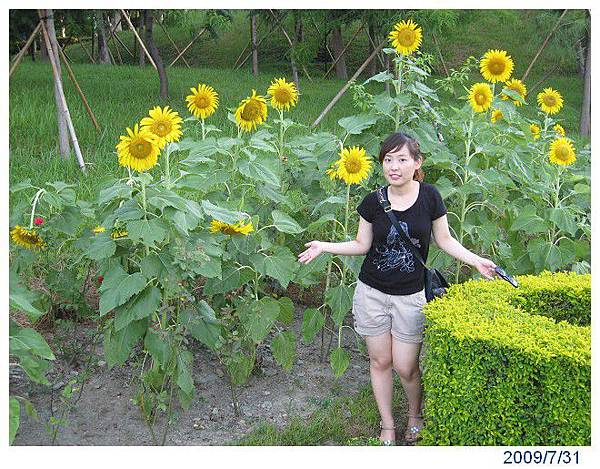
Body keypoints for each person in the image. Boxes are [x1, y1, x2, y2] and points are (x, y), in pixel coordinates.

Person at [297, 132, 498, 445]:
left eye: (402, 159)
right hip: (372, 293)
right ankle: (388, 425)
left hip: (410, 297)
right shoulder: (373, 202)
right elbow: (362, 244)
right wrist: (324, 246)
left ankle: (415, 413)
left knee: (406, 367)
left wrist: (476, 262)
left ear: (416, 163)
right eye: (388, 160)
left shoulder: (430, 197)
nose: (394, 166)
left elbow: (444, 240)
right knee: (380, 362)